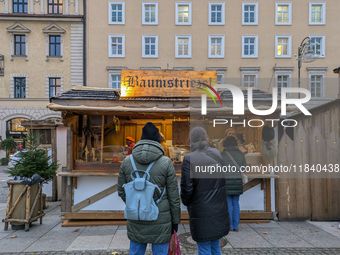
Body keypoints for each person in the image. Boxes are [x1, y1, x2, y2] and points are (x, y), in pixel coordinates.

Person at [118, 122, 181, 255]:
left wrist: (136, 203)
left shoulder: (127, 161)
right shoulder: (166, 162)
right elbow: (173, 196)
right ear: (158, 140)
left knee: (136, 252)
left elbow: (121, 191)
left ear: (141, 139)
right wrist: (175, 221)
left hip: (136, 217)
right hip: (160, 218)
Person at [181, 127, 230, 255]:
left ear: (190, 140)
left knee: (203, 247)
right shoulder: (217, 153)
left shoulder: (189, 158)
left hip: (201, 210)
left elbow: (187, 189)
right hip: (218, 208)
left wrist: (186, 202)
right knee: (215, 245)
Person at [221, 136, 246, 232]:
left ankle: (230, 226)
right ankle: (236, 226)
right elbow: (244, 169)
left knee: (228, 203)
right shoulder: (241, 154)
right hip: (237, 181)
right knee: (236, 203)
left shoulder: (222, 155)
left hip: (226, 181)